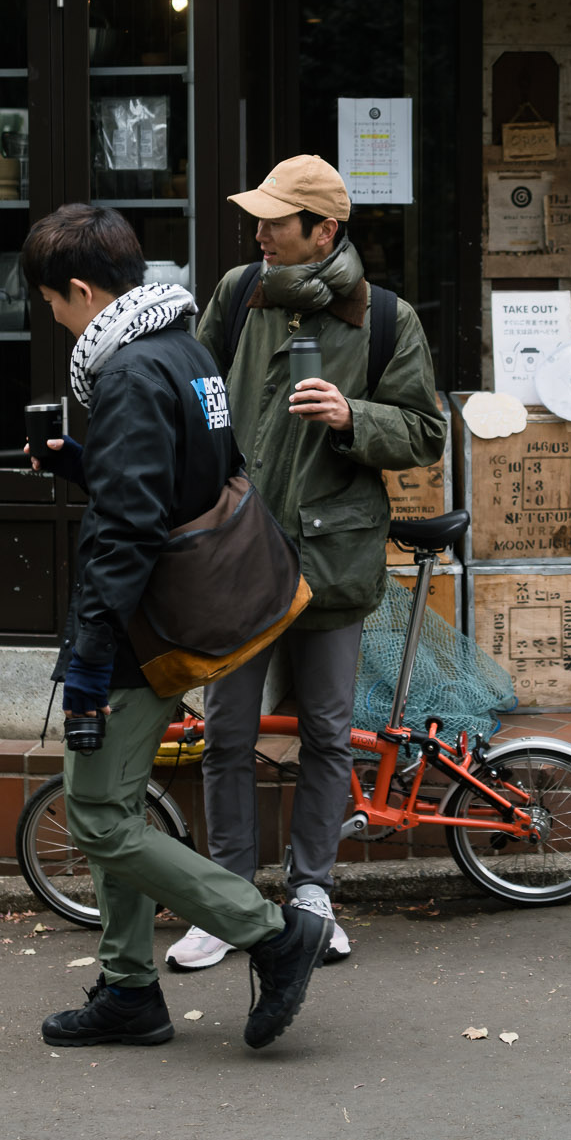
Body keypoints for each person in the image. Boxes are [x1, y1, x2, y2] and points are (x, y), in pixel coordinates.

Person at [23, 203, 331, 1053]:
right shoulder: (184, 350)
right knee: (117, 806)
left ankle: (271, 932)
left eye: (52, 303)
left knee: (97, 816)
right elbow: (192, 478)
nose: (55, 319)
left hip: (137, 630)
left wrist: (89, 662)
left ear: (82, 290)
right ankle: (129, 990)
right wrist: (86, 463)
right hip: (181, 607)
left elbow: (127, 531)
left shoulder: (126, 374)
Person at [167, 156, 446, 972]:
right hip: (237, 555)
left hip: (332, 559)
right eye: (257, 219)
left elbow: (426, 433)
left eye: (275, 222)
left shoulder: (385, 319)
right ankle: (228, 901)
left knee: (327, 733)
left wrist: (352, 416)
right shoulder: (237, 295)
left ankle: (313, 896)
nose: (259, 233)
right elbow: (189, 392)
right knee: (226, 732)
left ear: (324, 231)